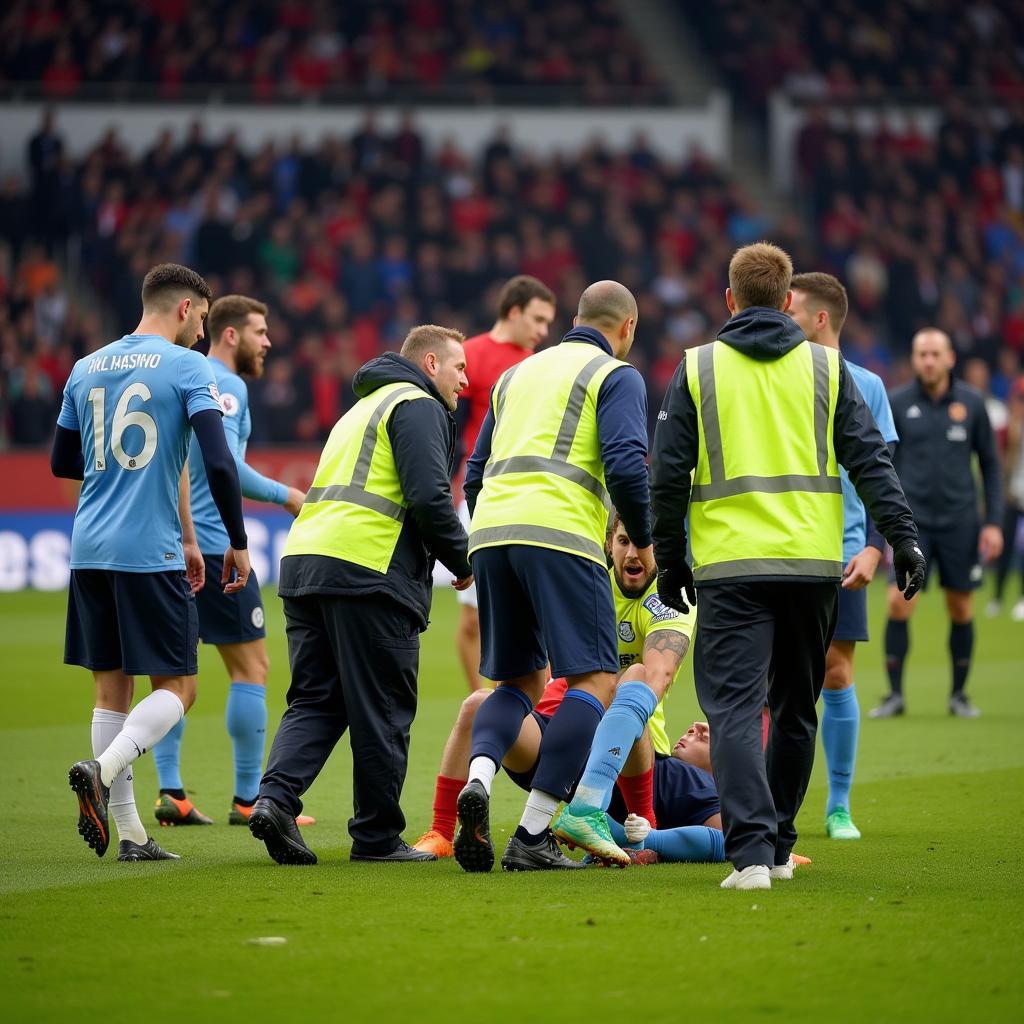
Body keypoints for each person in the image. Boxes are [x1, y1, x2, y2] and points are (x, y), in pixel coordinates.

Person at [651, 242, 924, 891]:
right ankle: (777, 846)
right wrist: (904, 537)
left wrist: (668, 558)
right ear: (788, 302)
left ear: (729, 299)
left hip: (732, 567)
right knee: (797, 709)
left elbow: (667, 476)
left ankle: (748, 856)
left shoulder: (697, 369)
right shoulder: (831, 373)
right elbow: (870, 462)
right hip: (813, 566)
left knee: (737, 711)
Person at [249, 325, 472, 866]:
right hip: (368, 569)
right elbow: (427, 494)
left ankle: (275, 800)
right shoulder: (417, 404)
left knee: (317, 698)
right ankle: (376, 838)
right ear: (430, 363)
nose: (466, 380)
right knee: (384, 708)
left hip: (306, 563)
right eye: (459, 367)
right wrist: (464, 560)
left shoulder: (363, 408)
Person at [53, 263, 250, 862]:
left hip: (89, 548)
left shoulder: (85, 367)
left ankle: (133, 835)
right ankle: (103, 769)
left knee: (111, 690)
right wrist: (234, 539)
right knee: (181, 687)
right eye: (202, 322)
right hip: (148, 550)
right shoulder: (189, 366)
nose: (201, 337)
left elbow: (65, 461)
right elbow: (219, 462)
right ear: (187, 309)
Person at [455, 280, 653, 873]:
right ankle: (533, 831)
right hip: (561, 533)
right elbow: (623, 461)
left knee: (515, 684)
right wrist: (642, 538)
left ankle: (482, 780)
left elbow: (474, 470)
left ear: (574, 318)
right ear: (627, 329)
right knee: (595, 681)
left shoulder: (519, 374)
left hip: (491, 531)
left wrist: (484, 529)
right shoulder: (616, 374)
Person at [413, 511, 694, 862]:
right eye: (624, 542)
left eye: (643, 544)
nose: (633, 554)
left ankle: (643, 830)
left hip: (628, 764)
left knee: (633, 680)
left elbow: (658, 675)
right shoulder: (588, 583)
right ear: (608, 544)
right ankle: (442, 832)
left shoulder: (671, 595)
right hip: (565, 749)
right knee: (478, 704)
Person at [149, 295, 311, 829]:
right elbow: (230, 468)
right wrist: (287, 494)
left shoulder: (177, 377)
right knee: (252, 668)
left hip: (171, 547)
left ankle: (170, 791)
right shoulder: (227, 386)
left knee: (170, 675)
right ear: (232, 334)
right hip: (219, 548)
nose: (268, 342)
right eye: (261, 332)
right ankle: (247, 799)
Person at [788, 272, 899, 841]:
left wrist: (877, 549)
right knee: (768, 679)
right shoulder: (775, 378)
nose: (785, 314)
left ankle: (837, 807)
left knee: (835, 671)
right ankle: (759, 803)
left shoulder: (866, 385)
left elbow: (883, 479)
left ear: (820, 318)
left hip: (843, 554)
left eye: (794, 308)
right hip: (781, 549)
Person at [874, 329, 1003, 719]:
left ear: (950, 358)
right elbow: (882, 466)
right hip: (910, 524)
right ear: (914, 359)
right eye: (921, 354)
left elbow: (991, 465)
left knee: (961, 606)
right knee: (898, 602)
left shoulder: (971, 403)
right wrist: (883, 525)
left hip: (961, 520)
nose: (928, 361)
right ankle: (894, 695)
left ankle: (958, 696)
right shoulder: (896, 402)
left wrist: (993, 522)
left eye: (934, 354)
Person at [452, 275, 556, 691]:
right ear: (513, 311)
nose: (544, 330)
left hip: (528, 495)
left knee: (530, 614)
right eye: (537, 319)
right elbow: (449, 428)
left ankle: (531, 712)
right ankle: (480, 705)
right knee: (473, 617)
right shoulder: (468, 356)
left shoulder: (540, 364)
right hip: (476, 494)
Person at [989, 377, 1024, 621]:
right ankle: (998, 597)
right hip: (1011, 495)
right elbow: (996, 462)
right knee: (1005, 545)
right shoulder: (1007, 428)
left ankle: (1022, 598)